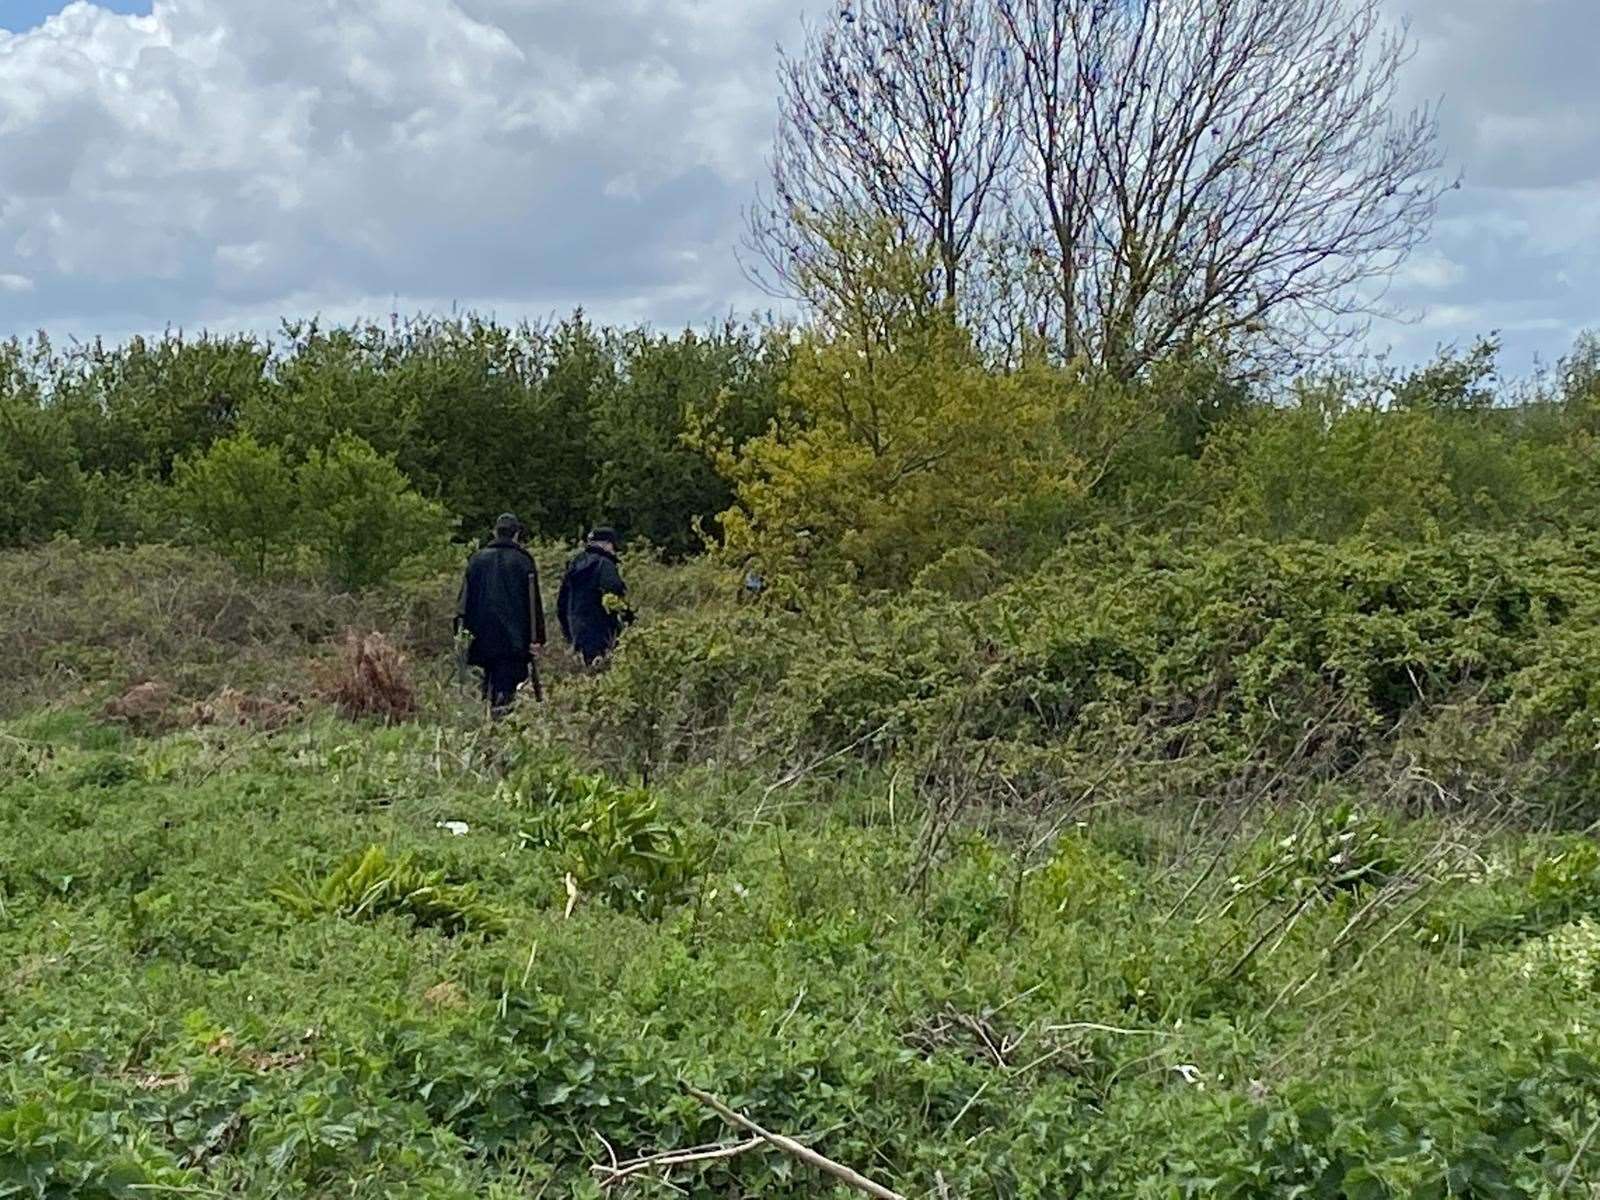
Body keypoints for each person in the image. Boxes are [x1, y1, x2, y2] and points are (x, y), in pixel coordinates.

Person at [456, 513, 546, 713]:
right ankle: (501, 729)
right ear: (516, 534)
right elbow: (533, 603)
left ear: (495, 532)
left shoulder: (476, 560)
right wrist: (537, 639)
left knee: (489, 686)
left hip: (481, 639)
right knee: (507, 690)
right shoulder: (523, 561)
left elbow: (463, 603)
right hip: (514, 641)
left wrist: (462, 638)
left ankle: (490, 726)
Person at [557, 526, 633, 665]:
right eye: (613, 546)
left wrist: (569, 633)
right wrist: (629, 618)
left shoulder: (575, 565)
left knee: (586, 672)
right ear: (607, 544)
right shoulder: (605, 565)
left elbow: (561, 603)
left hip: (577, 631)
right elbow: (615, 596)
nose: (614, 550)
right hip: (602, 632)